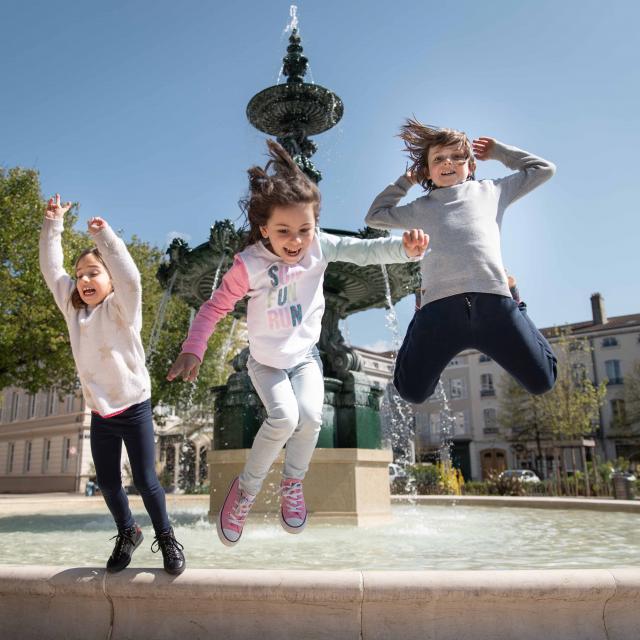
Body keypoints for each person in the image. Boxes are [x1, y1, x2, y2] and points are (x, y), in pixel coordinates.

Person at [167, 140, 428, 546]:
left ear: (315, 225)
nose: (295, 240)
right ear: (264, 229)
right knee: (284, 418)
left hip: (305, 358)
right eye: (284, 231)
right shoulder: (248, 265)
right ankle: (246, 493)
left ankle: (292, 485)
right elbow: (213, 308)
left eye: (304, 230)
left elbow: (365, 251)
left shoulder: (320, 247)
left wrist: (404, 250)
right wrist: (193, 348)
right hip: (265, 362)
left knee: (311, 417)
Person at [39, 195, 185, 575]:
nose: (85, 279)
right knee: (106, 483)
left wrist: (106, 240)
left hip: (135, 405)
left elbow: (130, 276)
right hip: (101, 411)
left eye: (93, 272)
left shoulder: (123, 308)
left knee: (146, 481)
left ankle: (166, 536)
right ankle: (128, 531)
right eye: (80, 274)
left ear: (108, 280)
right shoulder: (73, 310)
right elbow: (51, 269)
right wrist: (53, 225)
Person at [365, 118, 557, 405]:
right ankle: (418, 314)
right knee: (411, 391)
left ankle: (519, 304)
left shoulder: (493, 190)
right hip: (440, 310)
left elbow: (544, 169)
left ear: (472, 165)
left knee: (543, 381)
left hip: (493, 302)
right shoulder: (420, 207)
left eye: (457, 156)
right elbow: (375, 215)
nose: (448, 162)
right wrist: (407, 180)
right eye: (439, 158)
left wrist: (500, 152)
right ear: (427, 169)